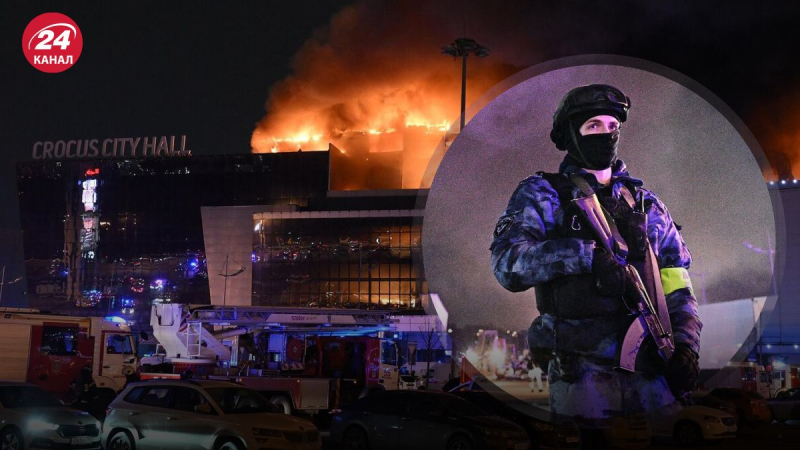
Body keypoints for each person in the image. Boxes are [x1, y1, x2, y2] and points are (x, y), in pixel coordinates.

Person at [490, 84, 702, 420]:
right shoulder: (543, 194)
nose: (605, 134)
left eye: (612, 126)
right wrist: (585, 256)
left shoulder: (646, 204)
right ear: (572, 135)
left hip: (652, 372)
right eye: (593, 126)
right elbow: (507, 264)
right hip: (584, 375)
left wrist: (687, 347)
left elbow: (677, 283)